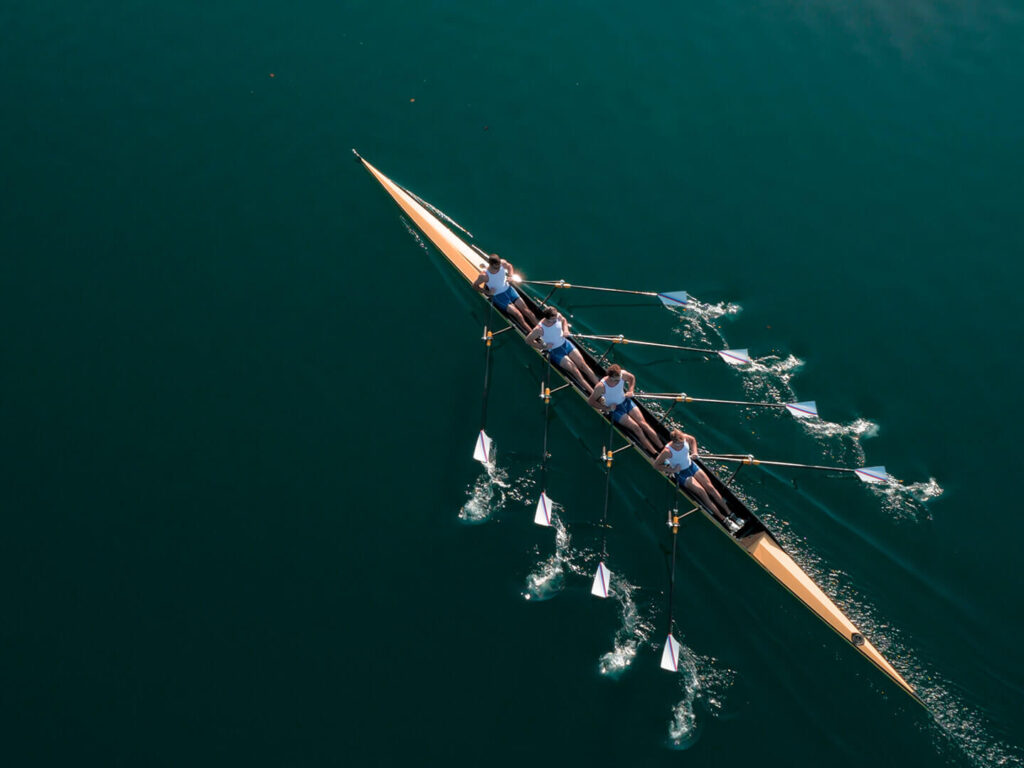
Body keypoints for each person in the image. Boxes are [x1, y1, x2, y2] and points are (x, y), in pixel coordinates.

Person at [655, 429, 744, 533]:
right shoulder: (667, 451)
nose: (682, 444)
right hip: (682, 474)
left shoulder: (684, 438)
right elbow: (656, 465)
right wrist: (672, 470)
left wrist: (695, 452)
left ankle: (730, 514)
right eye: (679, 444)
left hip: (692, 466)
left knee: (711, 488)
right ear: (673, 442)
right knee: (702, 492)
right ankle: (725, 520)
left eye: (682, 442)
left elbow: (692, 440)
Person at [587, 364, 660, 455]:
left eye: (620, 377)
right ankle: (655, 453)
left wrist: (631, 390)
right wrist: (607, 408)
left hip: (626, 402)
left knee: (644, 424)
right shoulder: (601, 387)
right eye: (617, 379)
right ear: (611, 377)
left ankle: (662, 448)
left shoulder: (622, 374)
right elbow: (591, 402)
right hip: (616, 410)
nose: (620, 380)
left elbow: (632, 378)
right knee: (637, 428)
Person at [526, 306, 599, 394]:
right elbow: (528, 340)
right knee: (575, 371)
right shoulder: (539, 329)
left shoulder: (558, 316)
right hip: (555, 352)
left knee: (583, 366)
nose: (556, 319)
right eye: (554, 319)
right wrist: (543, 346)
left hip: (566, 344)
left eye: (556, 317)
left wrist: (566, 330)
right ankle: (594, 394)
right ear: (547, 318)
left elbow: (564, 320)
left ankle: (600, 388)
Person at [472, 254, 536, 330]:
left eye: (499, 266)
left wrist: (510, 276)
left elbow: (509, 266)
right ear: (491, 265)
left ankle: (541, 328)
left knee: (527, 311)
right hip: (498, 296)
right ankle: (533, 334)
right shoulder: (484, 276)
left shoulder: (502, 263)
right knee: (518, 315)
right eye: (497, 267)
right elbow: (474, 286)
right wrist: (487, 292)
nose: (499, 268)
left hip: (509, 290)